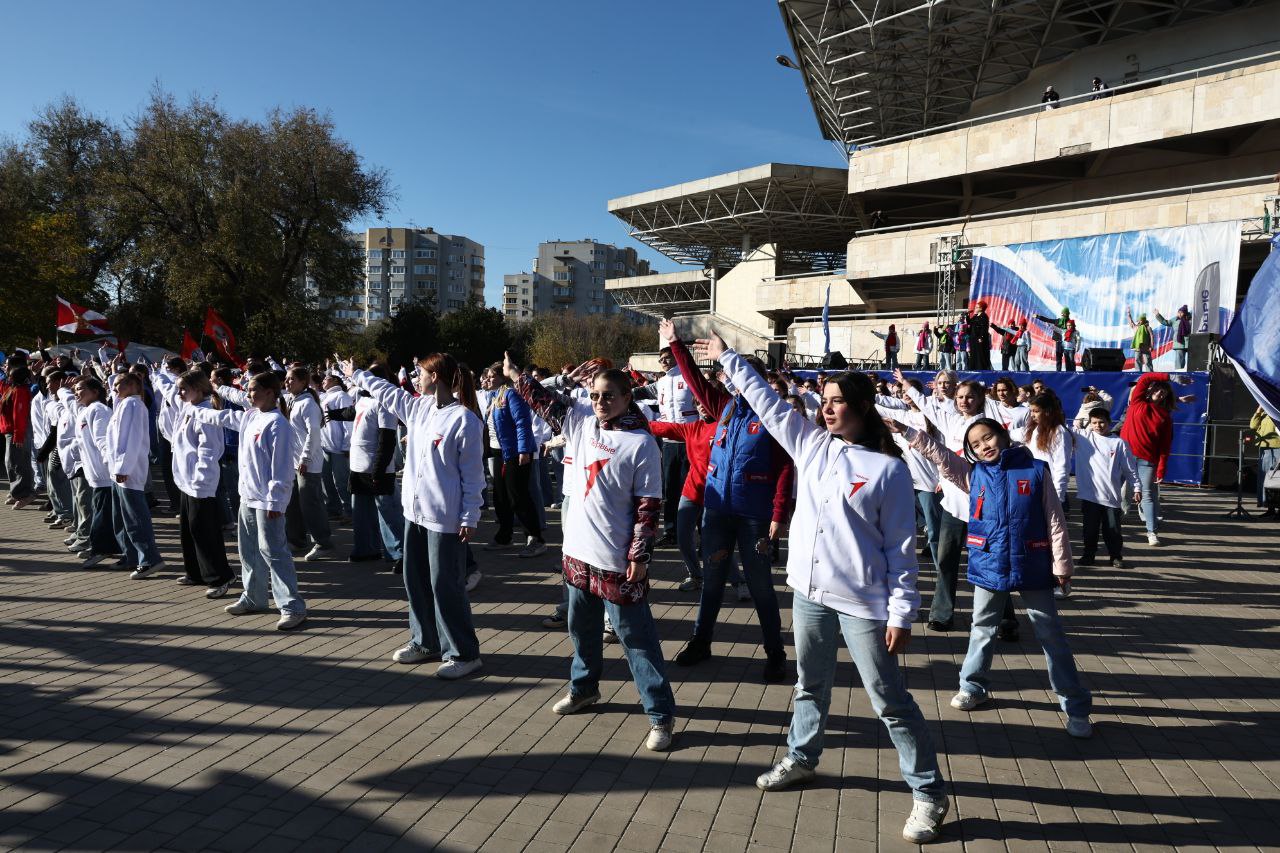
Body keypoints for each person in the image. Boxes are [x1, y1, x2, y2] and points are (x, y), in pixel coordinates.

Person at [696, 332, 949, 844]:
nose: (825, 408)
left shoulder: (888, 470)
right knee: (809, 685)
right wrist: (728, 358)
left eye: (836, 401)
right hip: (809, 595)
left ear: (859, 407)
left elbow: (901, 549)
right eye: (824, 399)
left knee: (889, 700)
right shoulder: (811, 445)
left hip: (863, 605)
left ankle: (928, 794)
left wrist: (902, 613)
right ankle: (803, 757)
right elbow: (765, 402)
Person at [506, 352, 677, 752]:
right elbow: (542, 401)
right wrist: (517, 376)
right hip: (577, 554)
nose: (601, 402)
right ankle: (584, 689)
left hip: (615, 561)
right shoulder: (581, 423)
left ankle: (660, 714)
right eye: (597, 395)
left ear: (627, 396)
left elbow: (648, 508)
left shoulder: (641, 443)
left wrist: (640, 555)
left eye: (610, 395)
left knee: (637, 641)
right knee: (580, 629)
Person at [892, 416, 1093, 740]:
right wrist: (908, 431)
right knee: (982, 629)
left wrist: (1062, 567)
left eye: (988, 437)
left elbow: (1055, 521)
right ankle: (973, 687)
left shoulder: (1036, 471)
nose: (984, 446)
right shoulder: (973, 474)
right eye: (975, 444)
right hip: (989, 564)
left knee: (1051, 635)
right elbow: (940, 454)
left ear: (1003, 434)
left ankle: (1076, 706)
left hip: (1033, 564)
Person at [341, 353, 484, 680]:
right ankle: (425, 642)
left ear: (436, 376)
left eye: (421, 373)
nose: (416, 378)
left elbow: (474, 477)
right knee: (415, 580)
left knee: (445, 585)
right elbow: (387, 392)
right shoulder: (419, 407)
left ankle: (464, 653)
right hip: (415, 514)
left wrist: (469, 516)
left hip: (445, 518)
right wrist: (358, 374)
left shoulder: (465, 420)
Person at [667, 320, 795, 684]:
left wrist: (778, 514)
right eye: (729, 376)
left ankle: (775, 653)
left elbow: (785, 468)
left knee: (760, 587)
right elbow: (694, 381)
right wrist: (676, 344)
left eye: (737, 374)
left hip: (754, 517)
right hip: (718, 512)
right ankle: (701, 641)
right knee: (712, 581)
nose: (731, 380)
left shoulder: (774, 417)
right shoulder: (723, 407)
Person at [881, 370, 1013, 637]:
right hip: (953, 504)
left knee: (992, 563)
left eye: (970, 397)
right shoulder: (950, 420)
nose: (964, 401)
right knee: (945, 560)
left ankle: (1006, 620)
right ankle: (942, 614)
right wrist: (905, 383)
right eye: (961, 396)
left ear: (979, 399)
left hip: (983, 508)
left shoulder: (989, 425)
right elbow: (927, 406)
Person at [191, 371, 306, 630]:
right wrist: (194, 408)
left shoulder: (278, 424)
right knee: (249, 552)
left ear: (269, 392)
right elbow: (222, 417)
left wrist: (276, 502)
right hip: (248, 497)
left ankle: (292, 606)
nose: (248, 394)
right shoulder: (251, 416)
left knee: (274, 553)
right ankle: (254, 597)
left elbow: (282, 468)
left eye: (253, 390)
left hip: (268, 502)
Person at [325, 362, 405, 571]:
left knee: (387, 512)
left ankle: (400, 553)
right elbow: (352, 412)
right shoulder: (363, 398)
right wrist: (332, 415)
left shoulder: (385, 403)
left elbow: (387, 440)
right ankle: (366, 549)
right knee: (361, 512)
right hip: (358, 466)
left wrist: (378, 469)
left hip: (377, 468)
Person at [165, 369, 235, 597]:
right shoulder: (189, 408)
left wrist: (199, 478)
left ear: (199, 388)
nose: (180, 393)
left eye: (184, 388)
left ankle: (220, 576)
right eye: (179, 388)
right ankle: (195, 571)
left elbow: (209, 450)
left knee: (204, 529)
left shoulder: (206, 413)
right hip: (186, 480)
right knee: (188, 528)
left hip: (200, 482)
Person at [1119, 372, 1193, 545]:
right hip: (1124, 457)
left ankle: (1152, 532)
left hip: (1147, 460)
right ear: (1151, 390)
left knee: (1148, 496)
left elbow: (1165, 446)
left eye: (1164, 391)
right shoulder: (1137, 401)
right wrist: (1171, 377)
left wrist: (1161, 468)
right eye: (1158, 389)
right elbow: (1145, 378)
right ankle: (1113, 522)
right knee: (1116, 492)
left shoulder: (1165, 417)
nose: (1160, 392)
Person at [482, 364, 548, 558]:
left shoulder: (511, 394)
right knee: (501, 497)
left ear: (503, 378)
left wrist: (524, 450)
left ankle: (535, 538)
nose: (489, 379)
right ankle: (504, 535)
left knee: (518, 496)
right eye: (489, 375)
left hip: (514, 453)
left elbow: (522, 422)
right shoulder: (494, 396)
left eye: (493, 376)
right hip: (498, 451)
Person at [107, 371, 165, 578]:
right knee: (122, 517)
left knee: (135, 517)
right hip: (118, 470)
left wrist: (124, 467)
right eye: (113, 385)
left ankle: (150, 558)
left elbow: (132, 439)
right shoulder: (123, 404)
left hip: (128, 471)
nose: (114, 389)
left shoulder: (133, 405)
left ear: (132, 386)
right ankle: (130, 555)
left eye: (119, 385)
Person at [1073, 407, 1140, 568]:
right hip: (1089, 496)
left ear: (1109, 422)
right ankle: (1088, 555)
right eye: (1094, 422)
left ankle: (1115, 556)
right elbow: (1058, 427)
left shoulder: (1119, 443)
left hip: (1111, 496)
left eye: (1102, 422)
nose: (1098, 425)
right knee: (1090, 529)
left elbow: (1129, 468)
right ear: (1090, 423)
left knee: (1113, 529)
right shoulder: (1082, 437)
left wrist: (1137, 487)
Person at [283, 367, 335, 561]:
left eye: (292, 379)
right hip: (293, 462)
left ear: (303, 382)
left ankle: (324, 543)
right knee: (293, 502)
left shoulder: (308, 404)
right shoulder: (292, 400)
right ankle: (296, 540)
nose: (287, 382)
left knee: (310, 503)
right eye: (287, 379)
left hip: (308, 463)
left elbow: (313, 434)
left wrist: (305, 458)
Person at [73, 376, 121, 568]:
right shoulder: (86, 410)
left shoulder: (99, 411)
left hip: (105, 475)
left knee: (102, 514)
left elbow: (103, 441)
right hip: (95, 474)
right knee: (101, 512)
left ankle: (101, 549)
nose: (77, 392)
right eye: (76, 389)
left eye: (81, 389)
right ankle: (101, 546)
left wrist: (111, 467)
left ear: (95, 392)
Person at [652, 345, 698, 546]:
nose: (663, 361)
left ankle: (697, 532)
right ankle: (671, 532)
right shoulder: (660, 382)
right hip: (669, 442)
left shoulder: (688, 377)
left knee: (691, 489)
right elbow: (636, 394)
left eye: (667, 358)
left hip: (690, 440)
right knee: (669, 490)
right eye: (660, 359)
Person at [1, 362, 36, 508]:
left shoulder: (20, 391)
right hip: (10, 431)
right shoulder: (12, 389)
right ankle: (17, 492)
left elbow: (19, 415)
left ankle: (25, 493)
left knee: (19, 463)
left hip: (17, 432)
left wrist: (19, 435)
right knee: (11, 463)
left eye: (10, 374)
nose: (7, 375)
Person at [319, 373, 353, 520]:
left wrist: (347, 445)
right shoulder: (323, 397)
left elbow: (348, 421)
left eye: (326, 378)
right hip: (325, 445)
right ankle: (333, 508)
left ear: (335, 380)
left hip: (339, 446)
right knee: (326, 479)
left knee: (341, 480)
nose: (323, 381)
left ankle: (350, 511)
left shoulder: (342, 396)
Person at [1252, 406, 1280, 516]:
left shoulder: (1276, 411)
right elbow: (1253, 425)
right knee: (1265, 480)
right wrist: (1258, 411)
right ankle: (1269, 508)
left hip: (1277, 448)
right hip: (1264, 448)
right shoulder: (1264, 412)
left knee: (1277, 479)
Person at [1154, 306, 1192, 371]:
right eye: (1178, 312)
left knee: (1192, 360)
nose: (1179, 314)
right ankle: (1179, 374)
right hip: (1179, 342)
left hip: (1189, 342)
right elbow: (1165, 322)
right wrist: (1158, 315)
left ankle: (1191, 375)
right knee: (1179, 361)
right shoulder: (1175, 319)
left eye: (1181, 312)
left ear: (1185, 313)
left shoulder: (1190, 319)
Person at [1034, 308, 1072, 372]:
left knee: (1068, 359)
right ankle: (1058, 372)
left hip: (1067, 343)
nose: (1063, 315)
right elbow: (1048, 320)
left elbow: (1073, 332)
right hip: (1058, 342)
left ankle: (1069, 373)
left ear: (1067, 314)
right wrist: (1038, 317)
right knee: (1058, 358)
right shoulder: (1057, 321)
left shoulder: (1070, 323)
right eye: (1062, 314)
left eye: (1065, 314)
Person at [967, 302, 992, 371]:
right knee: (973, 354)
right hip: (973, 338)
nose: (975, 308)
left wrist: (981, 337)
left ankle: (980, 368)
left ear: (981, 308)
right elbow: (970, 322)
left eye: (977, 307)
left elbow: (984, 328)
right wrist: (967, 315)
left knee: (980, 354)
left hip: (979, 339)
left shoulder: (984, 316)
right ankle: (973, 368)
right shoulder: (975, 316)